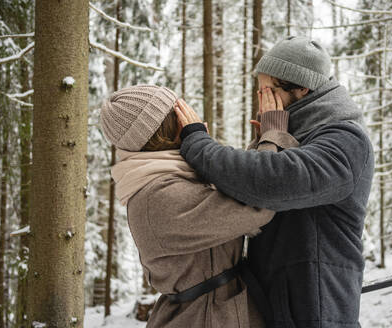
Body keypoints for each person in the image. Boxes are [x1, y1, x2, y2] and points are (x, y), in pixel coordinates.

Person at [174, 36, 375, 328]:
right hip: (281, 303)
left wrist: (197, 143)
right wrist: (270, 136)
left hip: (317, 308)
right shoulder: (299, 132)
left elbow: (268, 181)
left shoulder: (345, 141)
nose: (260, 100)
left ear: (302, 87)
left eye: (268, 91)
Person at [99, 84, 298, 328]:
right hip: (204, 318)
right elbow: (259, 202)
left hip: (214, 312)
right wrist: (273, 136)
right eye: (180, 111)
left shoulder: (167, 176)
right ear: (170, 127)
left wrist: (260, 144)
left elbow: (232, 192)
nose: (191, 115)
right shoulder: (158, 196)